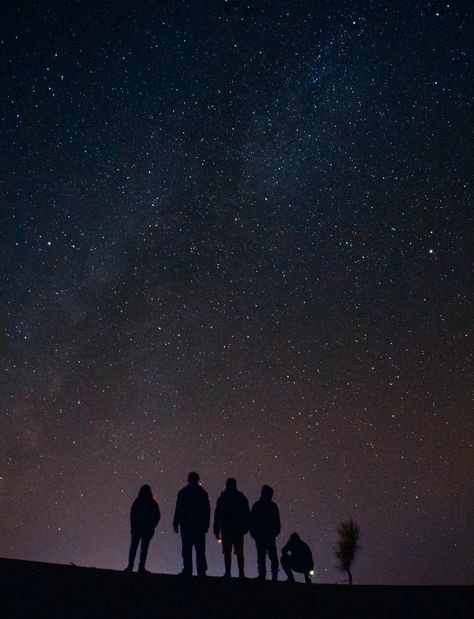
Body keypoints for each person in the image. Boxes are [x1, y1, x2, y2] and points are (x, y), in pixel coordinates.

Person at [173, 471, 210, 576]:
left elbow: (179, 508)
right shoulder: (202, 493)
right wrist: (206, 524)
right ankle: (201, 571)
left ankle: (187, 570)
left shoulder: (183, 492)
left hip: (186, 525)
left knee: (187, 549)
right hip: (199, 526)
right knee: (200, 550)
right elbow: (206, 510)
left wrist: (176, 522)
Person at [213, 478, 250, 578]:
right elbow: (247, 514)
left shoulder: (222, 499)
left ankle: (228, 573)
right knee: (239, 552)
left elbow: (218, 515)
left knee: (227, 552)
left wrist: (216, 529)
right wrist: (246, 527)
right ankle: (241, 573)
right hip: (238, 529)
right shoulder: (241, 499)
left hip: (226, 529)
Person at [125, 484, 161, 574]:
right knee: (143, 549)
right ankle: (141, 567)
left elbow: (132, 515)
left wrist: (133, 526)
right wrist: (152, 526)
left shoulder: (138, 502)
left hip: (138, 529)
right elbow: (157, 516)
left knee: (134, 548)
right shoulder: (152, 503)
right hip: (146, 530)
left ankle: (130, 566)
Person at [249, 485, 281, 581]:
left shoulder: (257, 505)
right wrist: (275, 533)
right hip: (267, 535)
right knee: (270, 555)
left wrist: (254, 533)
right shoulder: (272, 506)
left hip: (262, 535)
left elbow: (252, 521)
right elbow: (277, 521)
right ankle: (273, 575)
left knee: (262, 555)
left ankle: (263, 575)